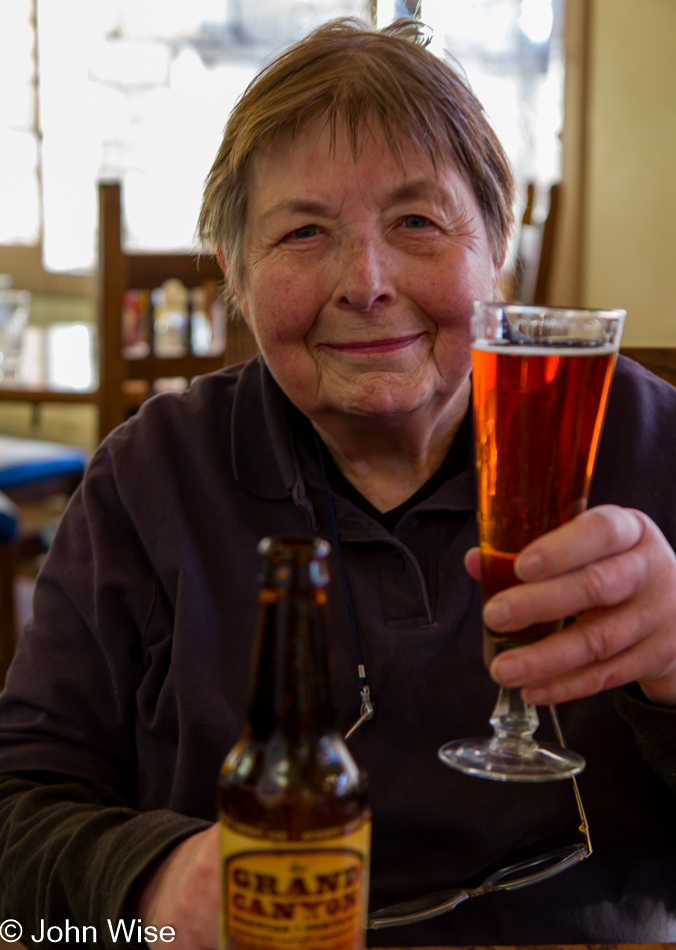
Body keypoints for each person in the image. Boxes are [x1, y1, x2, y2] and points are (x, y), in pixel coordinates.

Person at [1, 16, 676, 949]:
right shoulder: (152, 477)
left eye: (416, 221)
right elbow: (18, 811)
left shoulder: (644, 439)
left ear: (498, 253)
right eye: (304, 231)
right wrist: (149, 896)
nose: (367, 280)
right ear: (237, 279)